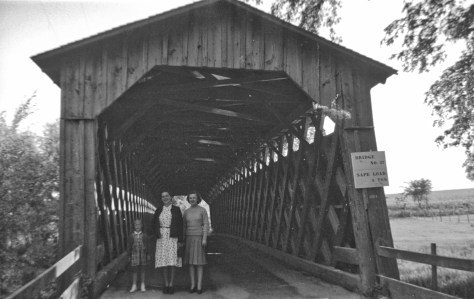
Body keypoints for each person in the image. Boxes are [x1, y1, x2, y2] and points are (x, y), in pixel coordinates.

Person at [151, 190, 183, 294]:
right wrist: (156, 233)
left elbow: (180, 225)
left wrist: (180, 240)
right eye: (162, 196)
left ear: (171, 197)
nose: (165, 198)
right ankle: (166, 284)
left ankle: (171, 284)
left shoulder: (176, 209)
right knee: (164, 261)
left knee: (173, 261)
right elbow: (153, 223)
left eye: (166, 196)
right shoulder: (159, 209)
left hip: (172, 237)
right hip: (162, 238)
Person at [183, 191, 209, 294]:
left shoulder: (202, 210)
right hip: (189, 238)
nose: (192, 199)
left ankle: (199, 286)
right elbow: (184, 227)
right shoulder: (186, 212)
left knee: (199, 262)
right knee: (190, 263)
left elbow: (206, 224)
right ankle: (192, 285)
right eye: (190, 198)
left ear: (197, 199)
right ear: (188, 199)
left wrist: (204, 238)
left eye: (194, 198)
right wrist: (183, 239)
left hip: (199, 238)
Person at [127, 218, 148, 293]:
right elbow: (129, 247)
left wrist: (148, 254)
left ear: (142, 225)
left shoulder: (145, 236)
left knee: (142, 270)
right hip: (134, 255)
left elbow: (147, 245)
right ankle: (134, 285)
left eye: (139, 224)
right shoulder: (131, 236)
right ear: (134, 226)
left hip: (143, 255)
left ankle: (142, 284)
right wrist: (129, 256)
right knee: (134, 271)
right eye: (136, 224)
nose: (137, 226)